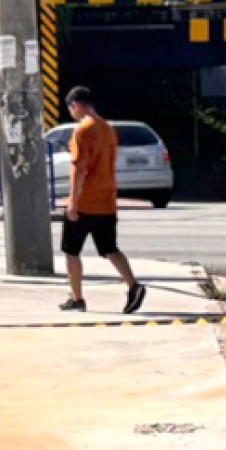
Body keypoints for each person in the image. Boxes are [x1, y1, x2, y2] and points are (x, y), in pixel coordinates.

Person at [58, 85, 145, 314]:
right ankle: (133, 285)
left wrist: (73, 202)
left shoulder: (82, 130)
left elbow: (79, 168)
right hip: (107, 201)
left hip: (85, 201)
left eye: (71, 109)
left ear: (75, 105)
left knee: (71, 251)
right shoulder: (108, 129)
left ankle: (77, 298)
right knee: (110, 248)